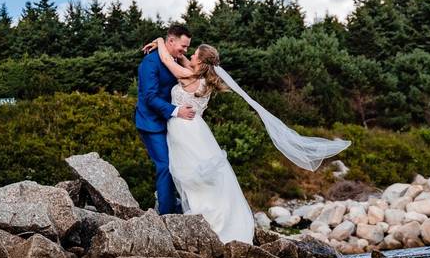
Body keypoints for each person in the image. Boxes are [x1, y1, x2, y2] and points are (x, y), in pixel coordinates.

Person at [143, 36, 351, 244]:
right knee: (201, 174)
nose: (191, 54)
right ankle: (202, 214)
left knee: (190, 173)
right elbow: (182, 60)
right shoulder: (203, 77)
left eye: (195, 53)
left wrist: (161, 41)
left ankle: (204, 217)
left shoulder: (189, 76)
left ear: (200, 60)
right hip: (197, 130)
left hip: (185, 130)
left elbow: (168, 61)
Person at [135, 24, 196, 215]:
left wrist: (159, 41)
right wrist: (177, 111)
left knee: (181, 164)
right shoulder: (150, 63)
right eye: (183, 46)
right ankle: (166, 215)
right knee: (165, 166)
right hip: (151, 123)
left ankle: (179, 205)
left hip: (172, 123)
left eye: (187, 47)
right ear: (171, 41)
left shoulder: (174, 61)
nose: (185, 51)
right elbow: (149, 97)